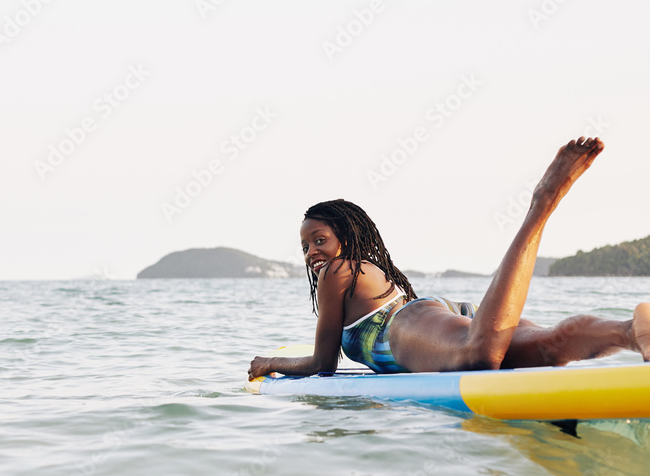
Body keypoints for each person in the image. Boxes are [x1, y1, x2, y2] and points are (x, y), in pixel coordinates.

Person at [248, 137, 650, 379]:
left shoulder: (338, 272)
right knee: (548, 347)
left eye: (319, 240)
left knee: (479, 358)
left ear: (347, 237)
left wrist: (271, 362)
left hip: (405, 327)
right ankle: (633, 332)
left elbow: (324, 364)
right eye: (304, 247)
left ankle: (541, 204)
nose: (311, 253)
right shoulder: (363, 271)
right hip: (433, 318)